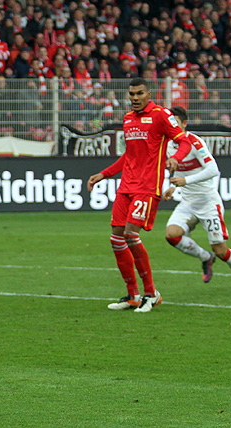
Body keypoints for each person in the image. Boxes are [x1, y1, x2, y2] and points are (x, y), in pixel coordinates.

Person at [87, 78, 194, 313]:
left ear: (149, 94)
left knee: (130, 234)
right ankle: (133, 296)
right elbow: (129, 155)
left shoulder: (161, 115)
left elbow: (184, 141)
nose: (135, 98)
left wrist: (176, 158)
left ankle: (151, 294)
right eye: (132, 94)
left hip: (147, 186)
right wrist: (104, 174)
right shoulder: (128, 118)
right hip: (126, 186)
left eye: (139, 93)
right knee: (116, 239)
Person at [163, 106, 231, 295]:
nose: (172, 127)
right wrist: (172, 186)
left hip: (208, 203)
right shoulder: (168, 145)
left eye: (176, 123)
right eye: (169, 124)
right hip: (187, 202)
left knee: (220, 250)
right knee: (172, 235)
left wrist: (185, 181)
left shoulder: (195, 142)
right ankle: (205, 257)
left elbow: (213, 170)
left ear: (184, 124)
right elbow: (174, 169)